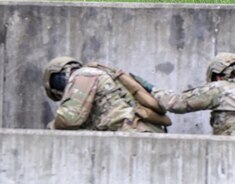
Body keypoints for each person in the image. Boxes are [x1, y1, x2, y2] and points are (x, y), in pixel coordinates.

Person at [43, 56, 172, 133]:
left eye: (58, 82)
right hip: (139, 132)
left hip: (133, 134)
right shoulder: (100, 78)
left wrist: (51, 127)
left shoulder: (83, 74)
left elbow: (69, 119)